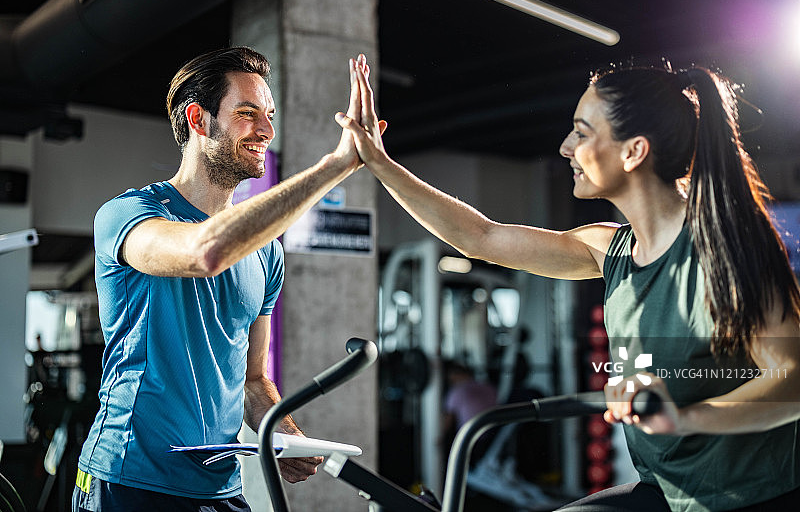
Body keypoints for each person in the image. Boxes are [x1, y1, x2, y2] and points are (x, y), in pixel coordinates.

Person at [337, 61, 800, 510]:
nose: (564, 147)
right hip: (666, 491)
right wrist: (378, 162)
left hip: (755, 498)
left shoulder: (723, 249)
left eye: (581, 132)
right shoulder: (609, 248)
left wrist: (685, 415)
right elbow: (480, 237)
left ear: (633, 151)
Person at [72, 47, 376, 511]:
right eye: (248, 113)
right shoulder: (128, 216)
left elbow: (254, 379)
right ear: (198, 119)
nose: (267, 130)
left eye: (269, 115)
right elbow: (205, 251)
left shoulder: (267, 252)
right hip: (130, 478)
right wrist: (335, 166)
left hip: (219, 486)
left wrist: (286, 436)